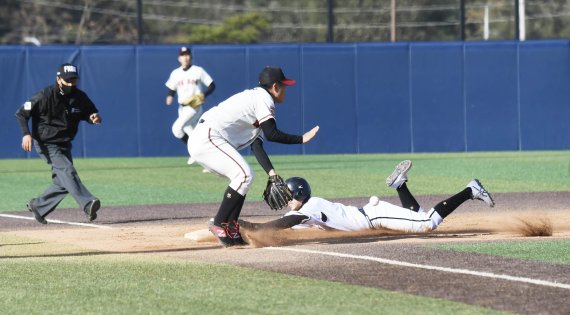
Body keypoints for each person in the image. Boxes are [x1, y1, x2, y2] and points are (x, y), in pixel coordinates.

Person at [188, 66, 320, 247]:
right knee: (244, 175)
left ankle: (231, 226)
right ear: (275, 87)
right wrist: (301, 139)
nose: (285, 90)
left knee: (244, 177)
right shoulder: (264, 99)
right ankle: (220, 223)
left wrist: (272, 173)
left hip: (206, 138)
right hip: (208, 137)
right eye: (284, 86)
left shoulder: (255, 101)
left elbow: (256, 144)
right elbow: (272, 134)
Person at [238, 160, 495, 233]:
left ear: (301, 195)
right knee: (417, 217)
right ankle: (400, 185)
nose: (286, 200)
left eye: (289, 196)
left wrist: (257, 228)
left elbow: (287, 223)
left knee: (427, 223)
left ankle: (470, 189)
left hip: (373, 215)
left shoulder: (311, 206)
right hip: (371, 215)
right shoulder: (306, 210)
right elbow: (290, 225)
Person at [15, 63, 102, 224]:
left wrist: (93, 118)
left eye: (74, 80)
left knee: (63, 181)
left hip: (65, 143)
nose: (71, 84)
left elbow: (91, 112)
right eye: (67, 80)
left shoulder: (80, 97)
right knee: (68, 171)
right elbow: (21, 113)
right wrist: (26, 134)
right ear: (58, 79)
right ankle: (88, 203)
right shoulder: (44, 95)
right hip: (46, 143)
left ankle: (38, 206)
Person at [165, 46, 215, 165]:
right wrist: (169, 96)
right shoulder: (175, 73)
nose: (185, 57)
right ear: (179, 58)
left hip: (193, 106)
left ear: (190, 57)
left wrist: (203, 95)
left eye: (187, 54)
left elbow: (212, 85)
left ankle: (193, 152)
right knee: (191, 133)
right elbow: (171, 88)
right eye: (183, 55)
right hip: (181, 107)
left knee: (176, 129)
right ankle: (208, 161)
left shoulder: (198, 70)